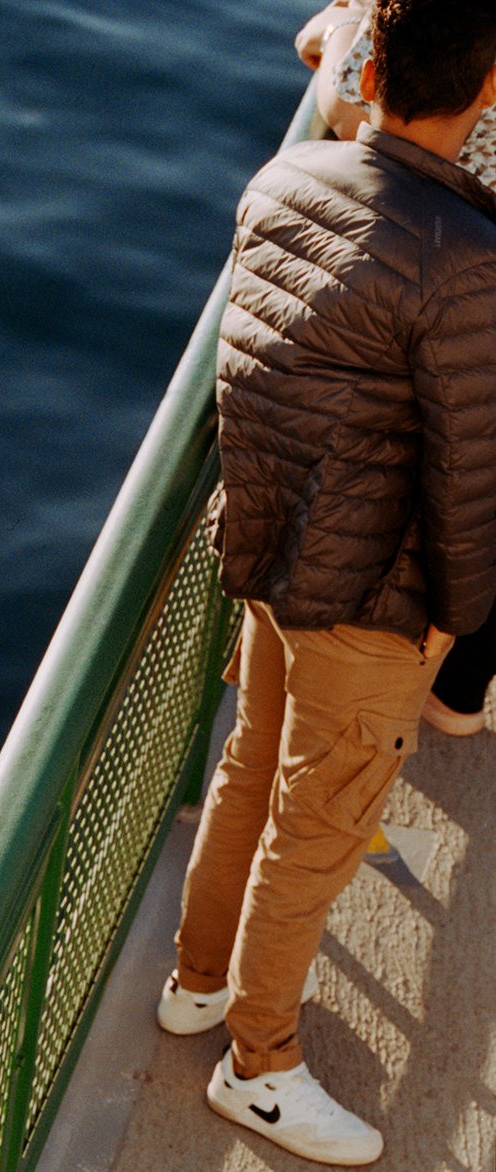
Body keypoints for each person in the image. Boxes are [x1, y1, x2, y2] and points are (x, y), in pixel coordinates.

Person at [164, 0, 496, 1165]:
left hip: (271, 549)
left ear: (370, 64)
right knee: (318, 825)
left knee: (252, 768)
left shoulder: (282, 180)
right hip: (371, 595)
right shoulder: (466, 261)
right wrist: (458, 618)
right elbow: (470, 477)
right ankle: (260, 1066)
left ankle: (197, 983)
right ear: (486, 91)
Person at [300, 0, 496, 735]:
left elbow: (354, 109)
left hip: (444, 275)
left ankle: (440, 659)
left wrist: (342, 26)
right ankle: (462, 684)